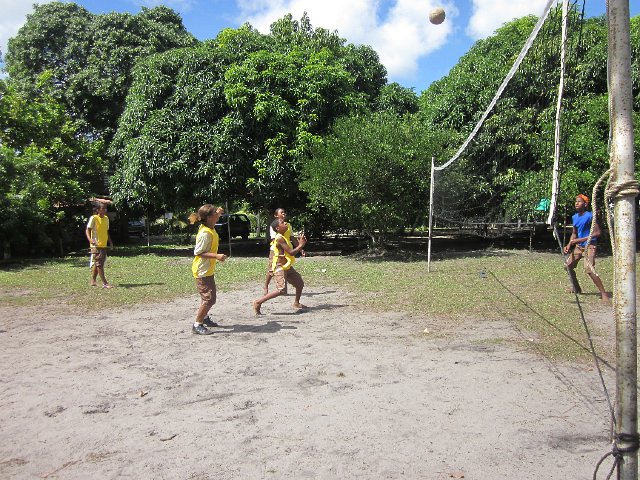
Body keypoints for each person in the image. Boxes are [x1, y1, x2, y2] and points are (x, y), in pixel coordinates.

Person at [253, 218, 307, 315]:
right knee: (281, 290)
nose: (285, 223)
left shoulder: (283, 236)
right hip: (280, 266)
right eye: (282, 223)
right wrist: (300, 245)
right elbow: (291, 252)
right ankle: (258, 302)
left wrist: (300, 243)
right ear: (278, 228)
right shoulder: (279, 238)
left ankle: (296, 303)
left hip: (286, 265)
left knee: (299, 284)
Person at [189, 204, 228, 335]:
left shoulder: (209, 225)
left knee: (207, 297)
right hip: (202, 271)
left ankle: (204, 318)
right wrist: (216, 256)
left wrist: (218, 212)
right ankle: (197, 324)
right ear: (210, 217)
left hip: (207, 270)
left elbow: (214, 215)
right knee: (209, 299)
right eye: (215, 214)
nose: (218, 215)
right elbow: (198, 252)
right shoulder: (205, 233)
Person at [563, 194, 610, 303]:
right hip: (579, 247)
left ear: (585, 204)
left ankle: (604, 294)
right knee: (568, 266)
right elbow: (574, 233)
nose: (576, 203)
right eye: (576, 201)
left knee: (589, 268)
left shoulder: (590, 216)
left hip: (590, 246)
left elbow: (597, 233)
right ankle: (576, 288)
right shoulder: (574, 217)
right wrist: (569, 245)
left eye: (579, 201)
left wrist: (580, 240)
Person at [263, 208, 305, 294]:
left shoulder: (287, 225)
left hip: (286, 250)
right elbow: (275, 240)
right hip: (276, 251)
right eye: (281, 212)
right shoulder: (274, 226)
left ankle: (283, 287)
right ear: (276, 215)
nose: (284, 214)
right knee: (272, 269)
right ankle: (266, 286)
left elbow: (292, 238)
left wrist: (300, 249)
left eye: (284, 212)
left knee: (285, 268)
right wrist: (283, 250)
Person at [85, 202, 114, 288]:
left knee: (98, 263)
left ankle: (93, 280)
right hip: (96, 245)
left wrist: (110, 242)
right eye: (103, 208)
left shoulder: (106, 219)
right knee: (99, 264)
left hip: (103, 244)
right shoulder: (94, 218)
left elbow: (106, 231)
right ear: (98, 210)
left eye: (105, 208)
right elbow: (87, 230)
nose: (105, 210)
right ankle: (105, 283)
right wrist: (90, 240)